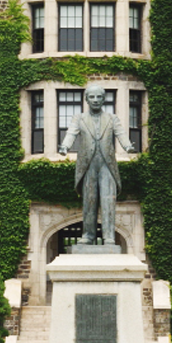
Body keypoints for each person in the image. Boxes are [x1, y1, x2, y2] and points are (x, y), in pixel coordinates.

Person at [58, 86, 133, 246]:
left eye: (99, 97)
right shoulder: (79, 118)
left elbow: (120, 133)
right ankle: (88, 235)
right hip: (88, 164)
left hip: (107, 164)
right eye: (92, 97)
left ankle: (109, 237)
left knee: (108, 201)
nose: (96, 100)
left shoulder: (112, 118)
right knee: (89, 201)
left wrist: (127, 146)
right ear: (86, 99)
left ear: (103, 99)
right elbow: (71, 133)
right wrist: (65, 146)